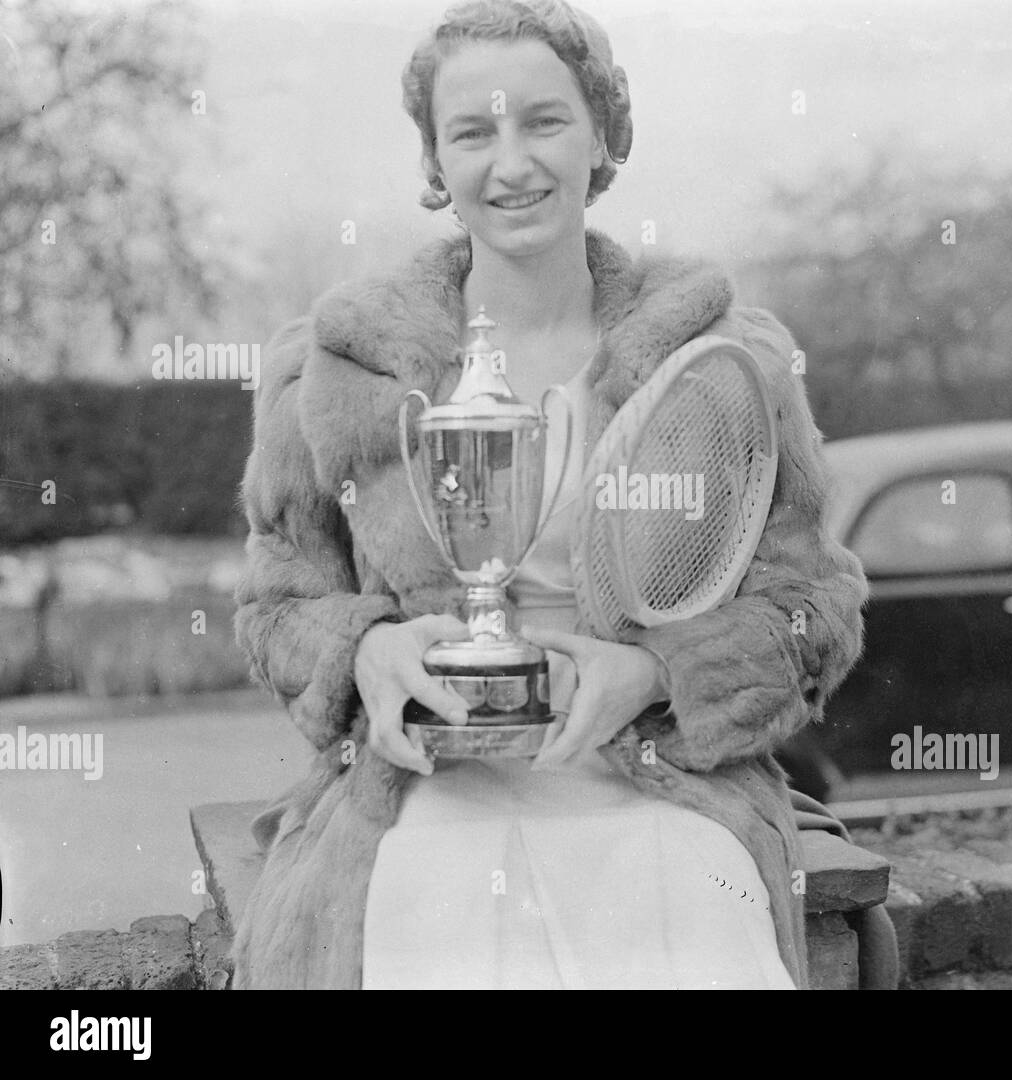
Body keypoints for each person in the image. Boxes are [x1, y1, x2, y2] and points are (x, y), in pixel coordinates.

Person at [230, 0, 876, 990]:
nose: (511, 163)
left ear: (603, 138)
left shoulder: (721, 357)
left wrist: (656, 675)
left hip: (657, 781)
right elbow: (273, 611)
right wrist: (364, 650)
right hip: (425, 788)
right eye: (473, 132)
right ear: (434, 164)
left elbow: (812, 614)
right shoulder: (332, 369)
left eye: (543, 121)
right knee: (427, 924)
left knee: (697, 923)